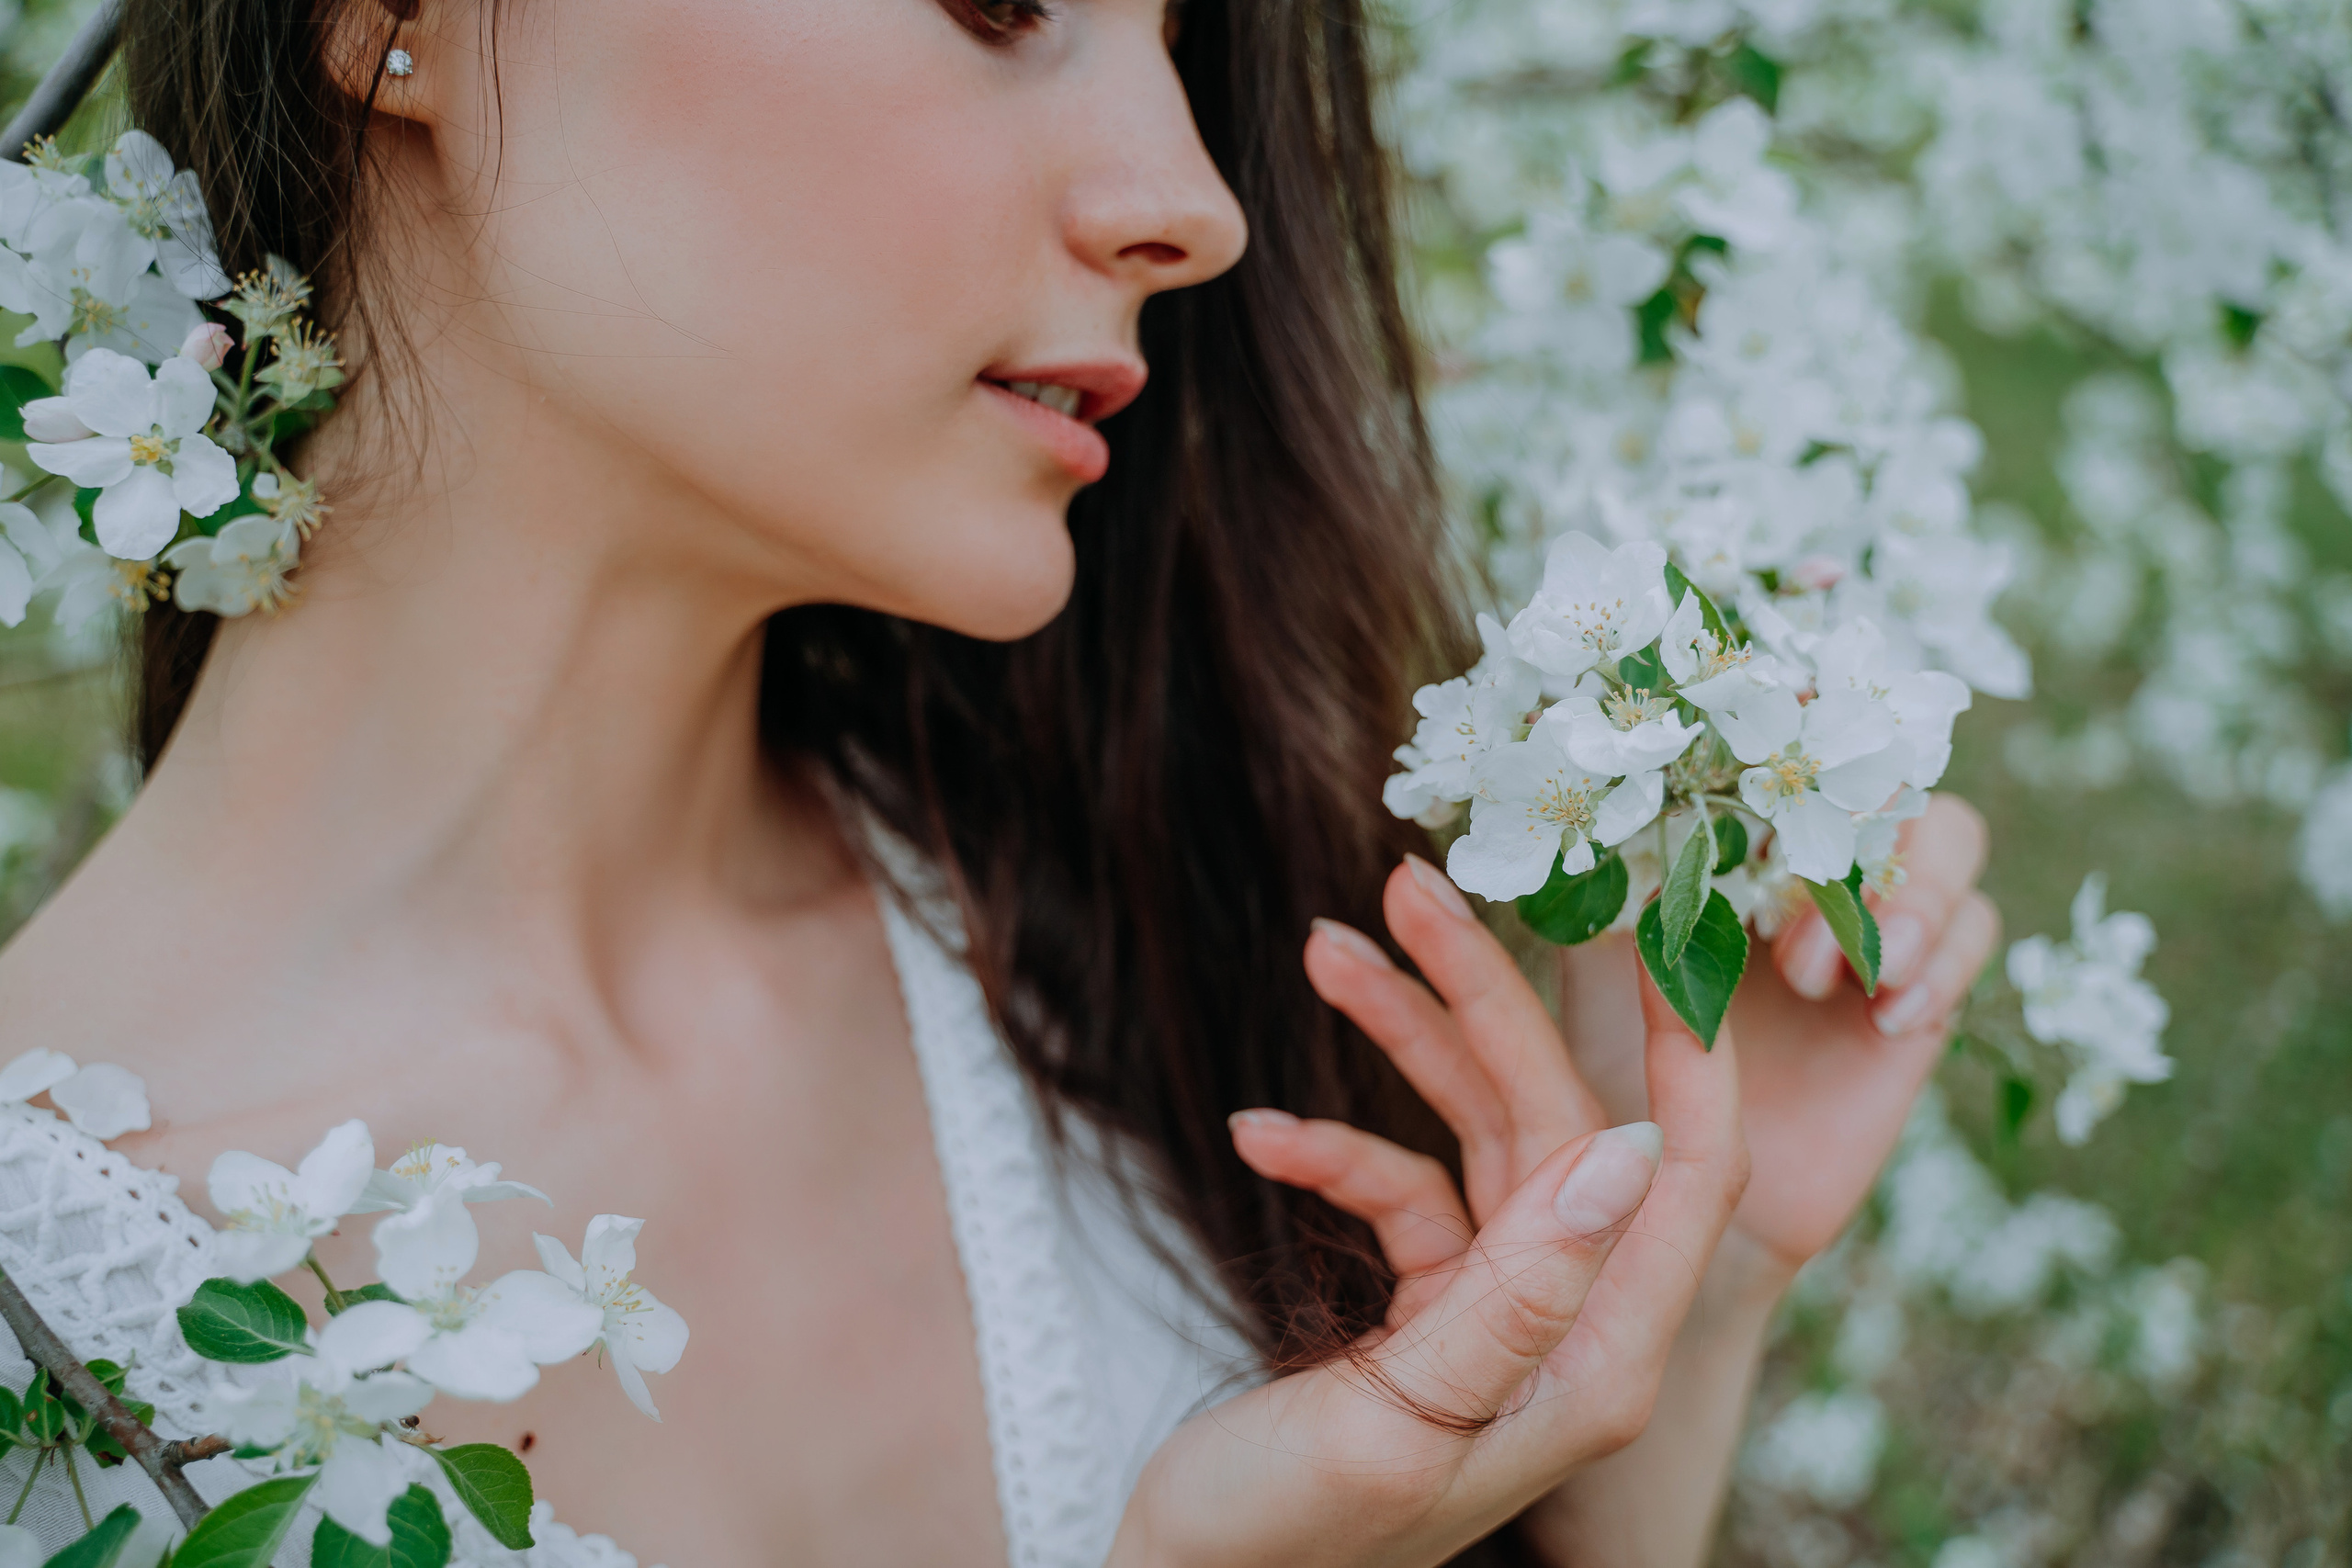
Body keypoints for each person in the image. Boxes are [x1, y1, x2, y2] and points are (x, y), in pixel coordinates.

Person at [0, 0, 1999, 1562]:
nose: (1198, 201)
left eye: (1185, 42)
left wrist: (1682, 1290)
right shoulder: (50, 1354)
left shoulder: (1139, 940)